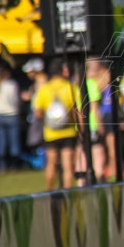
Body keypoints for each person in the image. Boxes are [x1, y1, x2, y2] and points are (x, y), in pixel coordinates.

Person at [33, 58, 80, 190]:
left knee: (51, 164)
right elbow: (77, 110)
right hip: (68, 131)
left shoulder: (44, 89)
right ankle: (67, 191)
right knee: (67, 165)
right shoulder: (70, 87)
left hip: (51, 132)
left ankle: (49, 191)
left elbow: (38, 113)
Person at [0, 65, 22, 172]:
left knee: (2, 141)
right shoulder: (11, 85)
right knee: (14, 141)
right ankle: (14, 165)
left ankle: (2, 166)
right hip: (11, 115)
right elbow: (15, 100)